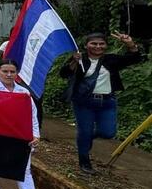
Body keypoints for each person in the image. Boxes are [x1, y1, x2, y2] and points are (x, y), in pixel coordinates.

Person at [60, 32, 143, 174]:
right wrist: (74, 61)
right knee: (84, 132)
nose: (98, 46)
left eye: (101, 44)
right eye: (94, 43)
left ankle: (85, 136)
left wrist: (129, 43)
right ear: (86, 45)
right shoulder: (80, 58)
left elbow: (134, 58)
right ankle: (84, 162)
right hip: (84, 102)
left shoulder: (110, 60)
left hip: (107, 102)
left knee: (108, 132)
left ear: (106, 45)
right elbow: (64, 73)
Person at [0, 60, 55, 189]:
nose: (9, 75)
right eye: (5, 71)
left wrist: (35, 135)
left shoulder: (23, 93)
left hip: (19, 135)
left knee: (24, 170)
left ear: (17, 73)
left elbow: (32, 115)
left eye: (12, 72)